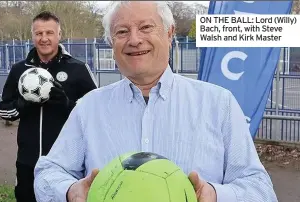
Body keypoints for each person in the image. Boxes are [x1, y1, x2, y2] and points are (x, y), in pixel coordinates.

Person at [33, 2, 277, 202]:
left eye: (146, 27)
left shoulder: (218, 104)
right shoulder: (89, 108)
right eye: (122, 31)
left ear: (169, 33)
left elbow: (260, 189)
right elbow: (48, 173)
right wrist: (70, 190)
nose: (134, 39)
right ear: (111, 43)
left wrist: (215, 195)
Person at [0, 11, 98, 202]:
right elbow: (4, 109)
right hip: (28, 161)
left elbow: (95, 112)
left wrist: (67, 105)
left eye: (49, 33)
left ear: (59, 35)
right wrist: (22, 104)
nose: (44, 38)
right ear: (33, 36)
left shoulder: (77, 68)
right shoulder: (20, 69)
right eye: (39, 33)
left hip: (66, 164)